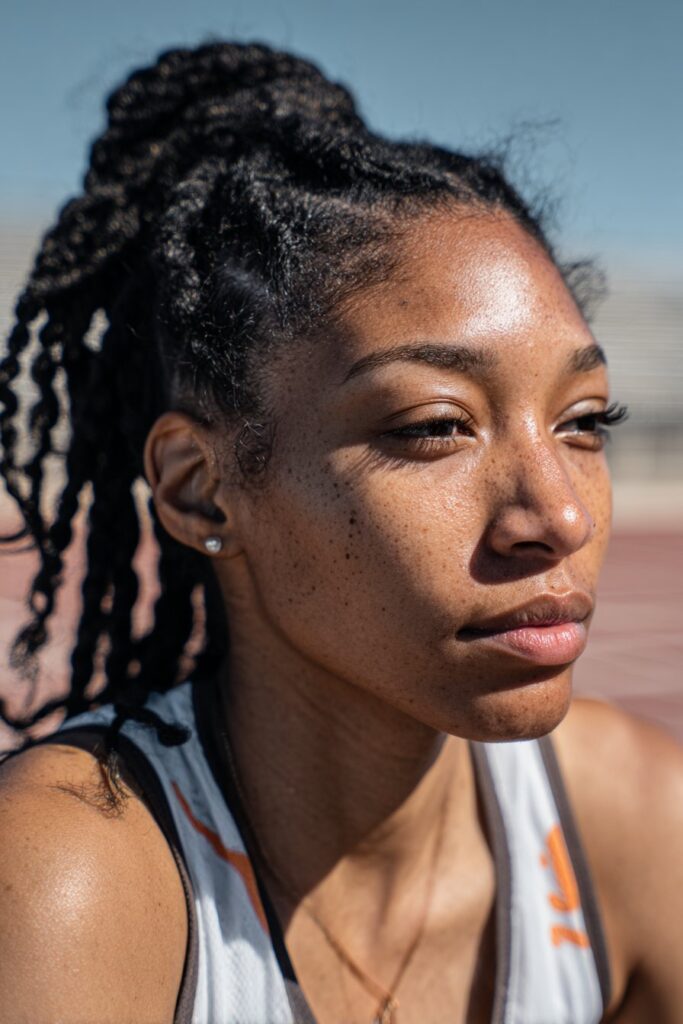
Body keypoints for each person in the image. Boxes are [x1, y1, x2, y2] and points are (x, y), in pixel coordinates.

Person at [0, 41, 681, 1024]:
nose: (560, 516)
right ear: (199, 492)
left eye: (582, 423)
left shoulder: (631, 819)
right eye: (433, 426)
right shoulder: (62, 887)